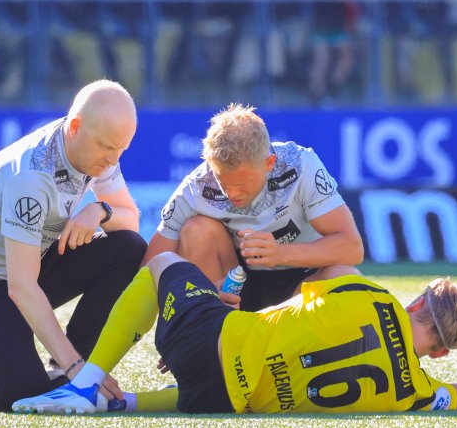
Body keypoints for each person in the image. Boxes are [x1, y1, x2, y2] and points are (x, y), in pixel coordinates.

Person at [11, 254, 457, 414]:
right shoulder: (413, 393)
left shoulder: (369, 295)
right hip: (222, 401)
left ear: (418, 300)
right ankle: (130, 406)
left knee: (163, 268)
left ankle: (87, 383)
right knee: (234, 392)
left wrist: (233, 288)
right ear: (446, 348)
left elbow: (313, 274)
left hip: (212, 345)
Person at [0, 79, 148, 413]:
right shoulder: (32, 176)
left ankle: (64, 373)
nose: (112, 159)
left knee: (128, 247)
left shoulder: (99, 149)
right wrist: (78, 368)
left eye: (120, 151)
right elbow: (21, 287)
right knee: (22, 395)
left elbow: (130, 220)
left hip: (24, 266)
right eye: (107, 148)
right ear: (76, 127)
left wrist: (100, 210)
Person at [140, 102, 363, 313]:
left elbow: (352, 248)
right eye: (223, 182)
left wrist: (281, 254)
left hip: (302, 283)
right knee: (197, 229)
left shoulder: (302, 166)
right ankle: (210, 326)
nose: (232, 193)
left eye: (242, 184)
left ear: (269, 164)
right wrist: (198, 294)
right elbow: (149, 271)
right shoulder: (196, 186)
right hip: (234, 291)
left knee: (345, 278)